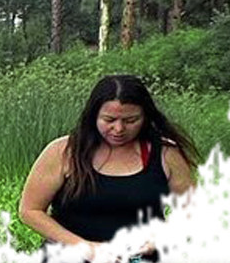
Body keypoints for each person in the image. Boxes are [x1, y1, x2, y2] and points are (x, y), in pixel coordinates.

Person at [18, 75, 199, 262]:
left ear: (145, 117)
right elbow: (30, 210)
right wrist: (85, 247)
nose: (118, 128)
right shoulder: (63, 151)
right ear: (93, 116)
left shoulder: (166, 154)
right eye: (109, 119)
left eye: (130, 120)